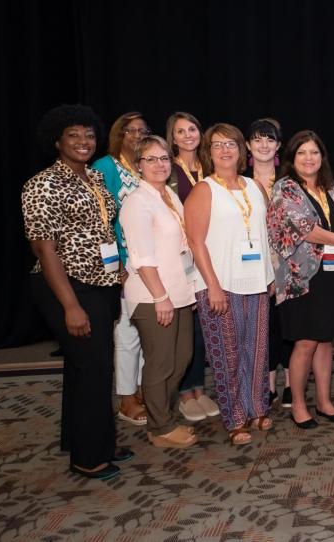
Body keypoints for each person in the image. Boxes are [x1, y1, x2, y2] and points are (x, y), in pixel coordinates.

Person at [22, 104, 131, 479]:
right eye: (74, 136)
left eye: (89, 135)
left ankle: (88, 439)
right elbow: (44, 248)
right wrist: (70, 305)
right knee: (92, 368)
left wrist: (116, 271)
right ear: (57, 141)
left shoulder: (95, 179)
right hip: (66, 286)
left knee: (87, 366)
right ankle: (89, 457)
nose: (84, 142)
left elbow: (102, 233)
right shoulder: (42, 184)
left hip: (100, 282)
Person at [184, 123, 275, 445]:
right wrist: (213, 286)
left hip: (256, 282)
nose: (225, 150)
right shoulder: (204, 190)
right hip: (221, 284)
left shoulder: (254, 187)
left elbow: (263, 236)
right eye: (218, 145)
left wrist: (269, 276)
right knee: (227, 354)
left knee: (256, 351)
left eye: (231, 144)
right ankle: (235, 418)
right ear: (209, 153)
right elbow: (195, 242)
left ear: (242, 151)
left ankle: (257, 407)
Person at [268, 130, 334, 429]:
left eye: (314, 152)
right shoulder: (285, 189)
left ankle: (324, 400)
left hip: (333, 275)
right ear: (292, 158)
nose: (309, 159)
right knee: (306, 342)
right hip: (302, 278)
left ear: (323, 157)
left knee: (325, 340)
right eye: (302, 153)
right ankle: (297, 404)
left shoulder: (332, 188)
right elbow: (304, 228)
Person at [119, 136, 199, 448]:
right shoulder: (137, 202)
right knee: (160, 363)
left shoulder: (168, 196)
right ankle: (160, 428)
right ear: (138, 165)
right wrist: (160, 296)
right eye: (150, 159)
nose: (159, 164)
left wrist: (186, 290)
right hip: (153, 296)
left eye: (164, 158)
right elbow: (141, 257)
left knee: (181, 360)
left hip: (179, 293)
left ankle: (163, 416)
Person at [92, 112, 149, 427]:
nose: (138, 135)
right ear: (119, 134)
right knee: (127, 331)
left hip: (149, 262)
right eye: (131, 130)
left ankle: (140, 390)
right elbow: (100, 223)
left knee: (147, 330)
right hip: (124, 263)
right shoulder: (105, 167)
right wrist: (114, 266)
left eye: (143, 130)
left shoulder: (145, 166)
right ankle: (126, 397)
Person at [165, 111, 221, 424]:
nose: (188, 135)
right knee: (190, 329)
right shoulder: (169, 170)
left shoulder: (211, 166)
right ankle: (186, 392)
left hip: (216, 254)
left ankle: (201, 389)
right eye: (181, 131)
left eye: (193, 129)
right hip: (186, 256)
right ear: (172, 138)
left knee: (205, 330)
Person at [245, 118, 294, 409]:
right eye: (258, 139)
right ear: (249, 146)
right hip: (252, 265)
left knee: (288, 325)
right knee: (263, 328)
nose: (264, 145)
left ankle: (290, 384)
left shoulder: (289, 179)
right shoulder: (238, 181)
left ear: (278, 145)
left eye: (270, 140)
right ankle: (268, 385)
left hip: (288, 265)